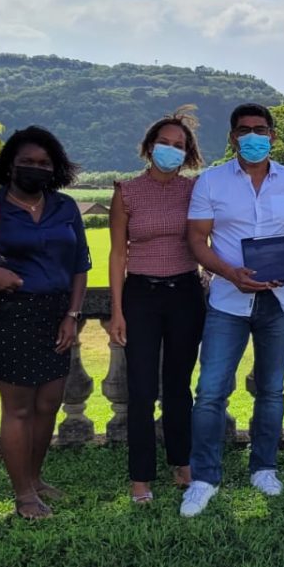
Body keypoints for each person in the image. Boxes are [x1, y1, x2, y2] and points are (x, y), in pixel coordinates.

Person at [180, 103, 284, 517]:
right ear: (232, 138)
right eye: (244, 130)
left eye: (260, 129)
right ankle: (204, 477)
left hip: (278, 301)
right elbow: (196, 241)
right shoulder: (211, 182)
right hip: (228, 299)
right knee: (210, 391)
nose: (253, 136)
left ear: (273, 136)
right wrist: (230, 273)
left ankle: (264, 466)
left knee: (271, 389)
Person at [0, 126, 90, 519]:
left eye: (44, 163)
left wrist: (72, 315)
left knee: (49, 404)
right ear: (9, 164)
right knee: (19, 409)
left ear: (56, 168)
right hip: (10, 314)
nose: (35, 168)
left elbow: (80, 264)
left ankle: (36, 478)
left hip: (56, 313)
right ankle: (23, 495)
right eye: (27, 162)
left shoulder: (64, 206)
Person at [108, 110, 205, 503]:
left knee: (180, 386)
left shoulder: (195, 190)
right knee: (142, 388)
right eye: (165, 143)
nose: (171, 150)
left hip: (184, 291)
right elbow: (117, 254)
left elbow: (207, 239)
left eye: (179, 145)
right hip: (141, 295)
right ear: (150, 148)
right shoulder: (126, 191)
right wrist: (116, 310)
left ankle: (182, 462)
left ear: (188, 153)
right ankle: (140, 477)